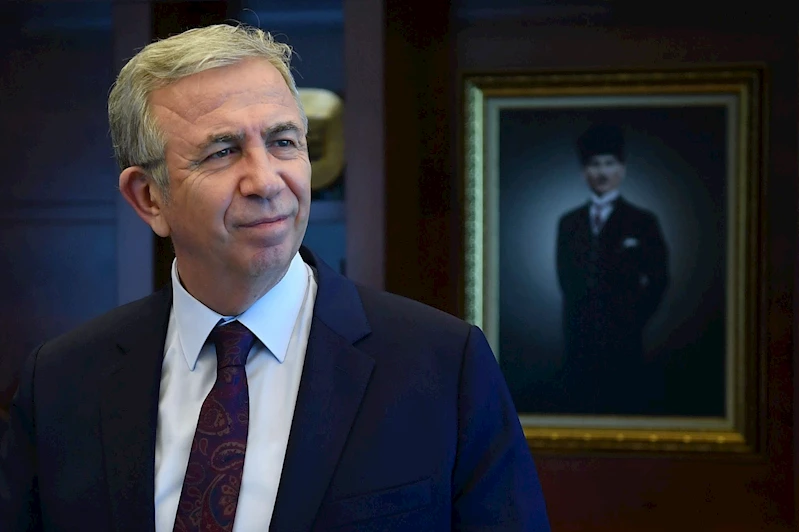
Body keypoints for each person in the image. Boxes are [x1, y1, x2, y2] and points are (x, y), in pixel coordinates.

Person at [0, 24, 550, 531]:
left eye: (284, 142)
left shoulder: (444, 366)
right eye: (223, 152)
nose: (265, 181)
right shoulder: (61, 382)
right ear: (149, 198)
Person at [555, 123, 669, 414]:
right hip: (578, 340)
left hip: (625, 340)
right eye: (594, 164)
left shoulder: (642, 221)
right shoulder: (569, 223)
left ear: (622, 169)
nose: (602, 172)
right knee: (579, 409)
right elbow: (565, 279)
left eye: (609, 163)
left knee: (623, 406)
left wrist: (633, 318)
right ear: (584, 171)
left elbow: (659, 279)